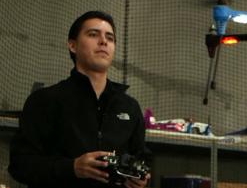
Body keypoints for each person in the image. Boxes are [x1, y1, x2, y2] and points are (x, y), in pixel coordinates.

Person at [8, 11, 150, 188]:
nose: (103, 41)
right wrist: (72, 168)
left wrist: (139, 180)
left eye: (110, 38)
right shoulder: (45, 100)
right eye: (93, 34)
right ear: (72, 45)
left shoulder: (129, 106)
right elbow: (19, 165)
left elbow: (141, 160)